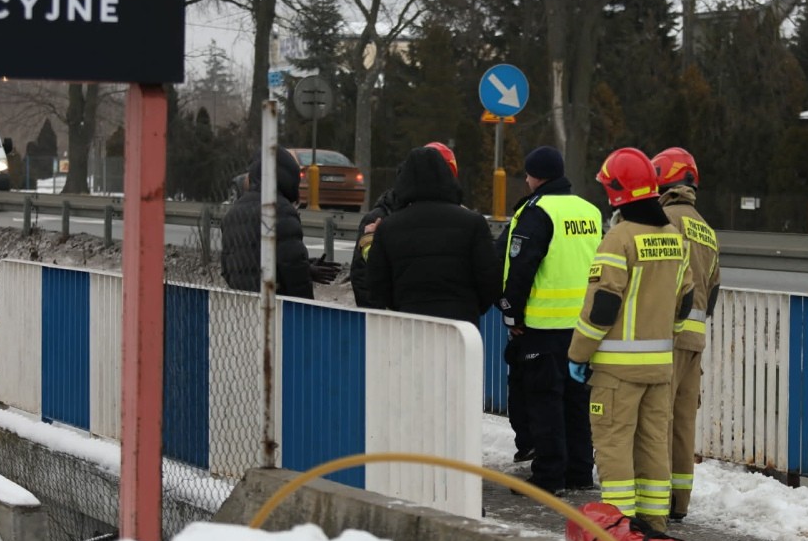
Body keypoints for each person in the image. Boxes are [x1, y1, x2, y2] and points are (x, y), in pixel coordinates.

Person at [567, 147, 693, 531]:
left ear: (618, 192)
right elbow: (685, 302)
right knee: (654, 443)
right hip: (659, 366)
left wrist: (578, 353)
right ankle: (654, 522)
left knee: (613, 444)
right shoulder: (673, 236)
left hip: (617, 372)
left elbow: (602, 308)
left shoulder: (619, 238)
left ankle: (618, 524)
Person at [497, 146, 603, 494]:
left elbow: (522, 265)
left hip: (543, 327)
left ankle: (548, 476)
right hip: (583, 327)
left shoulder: (536, 211)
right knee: (576, 401)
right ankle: (579, 472)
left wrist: (511, 311)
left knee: (544, 401)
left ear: (536, 176)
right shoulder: (589, 210)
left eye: (527, 175)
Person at [651, 147, 720, 522]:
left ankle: (655, 502)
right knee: (683, 424)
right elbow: (714, 289)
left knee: (656, 420)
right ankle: (679, 501)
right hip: (696, 340)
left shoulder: (664, 220)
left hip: (666, 334)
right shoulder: (705, 229)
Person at [366, 145, 499, 324]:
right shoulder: (473, 222)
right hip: (461, 324)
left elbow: (377, 285)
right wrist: (471, 308)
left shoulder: (388, 227)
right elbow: (490, 279)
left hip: (409, 321)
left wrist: (402, 306)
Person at [220, 147, 338, 298]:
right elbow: (292, 270)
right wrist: (307, 310)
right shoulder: (281, 210)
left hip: (241, 304)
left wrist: (306, 267)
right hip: (275, 306)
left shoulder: (233, 212)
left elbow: (238, 263)